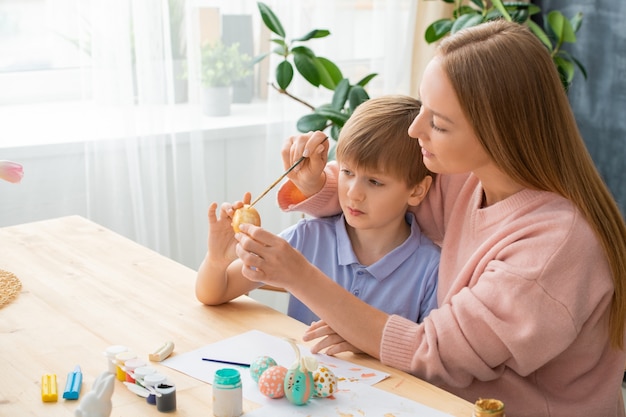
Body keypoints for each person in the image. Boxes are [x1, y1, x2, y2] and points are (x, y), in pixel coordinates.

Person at [232, 20, 626, 417]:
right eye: (422, 109)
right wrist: (318, 180)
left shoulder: (553, 248)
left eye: (437, 123)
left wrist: (300, 276)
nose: (415, 129)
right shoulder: (472, 181)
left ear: (496, 134)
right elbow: (382, 193)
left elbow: (435, 352)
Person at [196, 95, 440, 326]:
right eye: (347, 172)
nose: (354, 193)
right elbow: (215, 292)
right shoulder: (307, 237)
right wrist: (217, 260)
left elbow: (427, 361)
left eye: (375, 182)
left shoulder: (431, 269)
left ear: (417, 191)